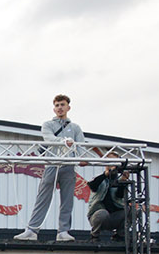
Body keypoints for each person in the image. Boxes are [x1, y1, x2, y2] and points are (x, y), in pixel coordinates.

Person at [14, 94, 85, 243]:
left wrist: (81, 157)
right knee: (43, 197)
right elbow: (49, 138)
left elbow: (81, 147)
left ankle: (63, 231)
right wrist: (65, 141)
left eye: (62, 105)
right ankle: (32, 229)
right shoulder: (48, 125)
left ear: (68, 107)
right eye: (57, 105)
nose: (60, 108)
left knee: (67, 199)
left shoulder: (75, 128)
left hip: (69, 165)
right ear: (54, 108)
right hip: (52, 164)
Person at [86, 163, 129, 240]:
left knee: (130, 211)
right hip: (97, 215)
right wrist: (105, 175)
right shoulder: (99, 178)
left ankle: (120, 235)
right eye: (110, 163)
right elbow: (92, 185)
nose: (113, 167)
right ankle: (95, 235)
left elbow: (120, 195)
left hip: (113, 216)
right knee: (102, 213)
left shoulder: (119, 181)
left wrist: (123, 182)